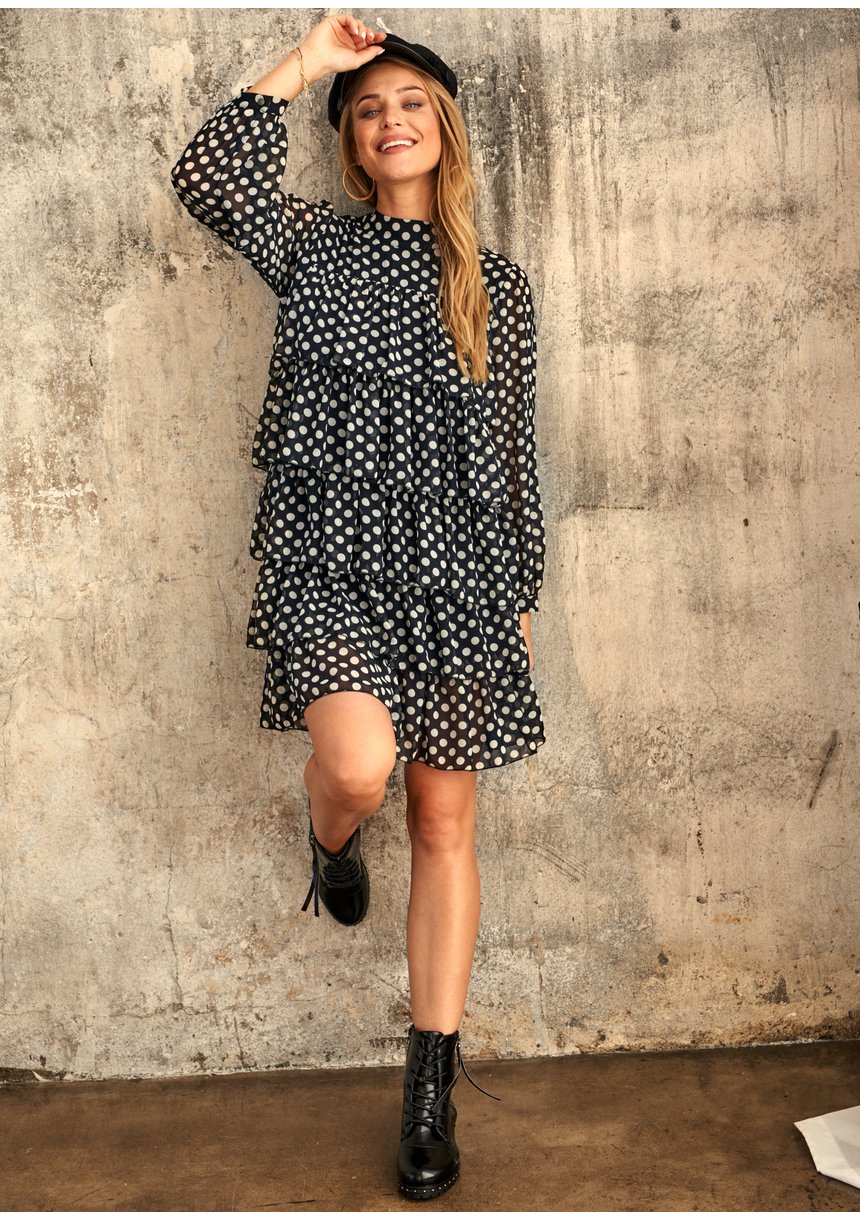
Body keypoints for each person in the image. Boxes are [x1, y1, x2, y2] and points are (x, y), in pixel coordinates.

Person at [170, 14, 547, 1201]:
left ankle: (429, 1091)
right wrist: (312, 64)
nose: (390, 119)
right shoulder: (315, 251)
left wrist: (515, 591)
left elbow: (512, 455)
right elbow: (207, 174)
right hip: (329, 561)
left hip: (458, 573)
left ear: (444, 128)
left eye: (409, 102)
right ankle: (328, 836)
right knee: (358, 768)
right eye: (370, 108)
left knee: (443, 817)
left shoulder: (493, 287)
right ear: (350, 141)